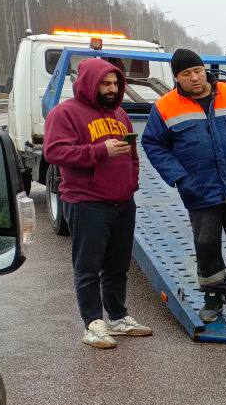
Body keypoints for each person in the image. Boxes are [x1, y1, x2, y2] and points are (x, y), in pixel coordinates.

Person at [142, 48, 226, 323]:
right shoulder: (165, 107)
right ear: (177, 78)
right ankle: (214, 297)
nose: (195, 78)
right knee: (206, 243)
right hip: (200, 189)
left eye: (197, 71)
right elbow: (153, 144)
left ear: (204, 70)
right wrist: (180, 177)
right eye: (186, 74)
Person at [43, 57, 153, 348]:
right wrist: (99, 151)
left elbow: (131, 154)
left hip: (122, 202)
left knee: (118, 265)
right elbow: (54, 152)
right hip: (87, 202)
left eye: (116, 83)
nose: (112, 88)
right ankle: (93, 324)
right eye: (105, 83)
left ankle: (117, 319)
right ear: (90, 83)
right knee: (88, 267)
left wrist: (131, 181)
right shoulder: (65, 113)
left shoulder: (119, 114)